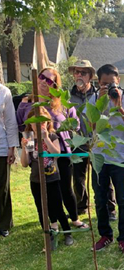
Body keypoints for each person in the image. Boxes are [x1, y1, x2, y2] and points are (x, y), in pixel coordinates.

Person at [17, 67, 88, 230]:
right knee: (47, 190)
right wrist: (26, 144)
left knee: (65, 186)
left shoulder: (61, 102)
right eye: (42, 77)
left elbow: (75, 124)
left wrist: (64, 128)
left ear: (55, 85)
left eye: (50, 80)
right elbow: (21, 124)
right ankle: (54, 222)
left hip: (60, 151)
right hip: (40, 155)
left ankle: (74, 218)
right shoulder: (27, 102)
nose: (44, 81)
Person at [90, 64, 124, 254]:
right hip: (99, 157)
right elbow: (92, 126)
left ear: (118, 81)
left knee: (123, 199)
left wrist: (119, 108)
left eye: (111, 83)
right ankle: (105, 235)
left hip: (120, 157)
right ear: (98, 83)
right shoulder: (94, 99)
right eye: (104, 83)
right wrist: (100, 104)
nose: (109, 87)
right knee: (100, 199)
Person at [69, 60, 117, 220]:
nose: (79, 75)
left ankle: (110, 208)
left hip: (97, 141)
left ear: (90, 76)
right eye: (77, 72)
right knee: (78, 177)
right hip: (78, 142)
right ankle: (81, 206)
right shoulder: (69, 97)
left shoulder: (99, 94)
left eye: (83, 72)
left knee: (101, 176)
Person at [20, 107, 73, 246]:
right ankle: (48, 235)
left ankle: (67, 232)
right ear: (30, 123)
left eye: (43, 122)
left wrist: (46, 139)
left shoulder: (52, 136)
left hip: (52, 178)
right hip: (36, 179)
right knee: (42, 209)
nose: (39, 125)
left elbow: (56, 153)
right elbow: (25, 163)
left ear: (48, 122)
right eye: (36, 122)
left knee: (57, 207)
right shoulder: (30, 138)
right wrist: (25, 149)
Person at [0, 83, 18, 237]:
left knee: (2, 187)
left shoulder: (4, 91)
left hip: (1, 147)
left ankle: (4, 223)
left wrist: (12, 147)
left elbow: (10, 121)